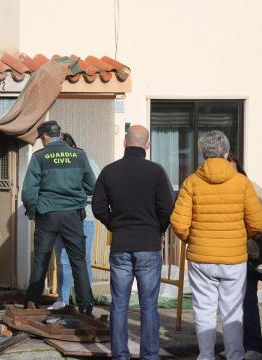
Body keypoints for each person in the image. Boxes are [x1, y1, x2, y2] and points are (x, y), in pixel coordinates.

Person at [170, 130, 262, 360]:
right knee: (232, 310)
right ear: (226, 152)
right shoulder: (241, 182)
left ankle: (206, 355)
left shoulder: (191, 182)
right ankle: (235, 354)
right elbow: (258, 221)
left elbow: (178, 223)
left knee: (204, 310)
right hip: (234, 258)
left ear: (203, 152)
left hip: (201, 257)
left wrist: (193, 239)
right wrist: (242, 237)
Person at [93, 125, 174, 360]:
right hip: (148, 244)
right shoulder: (156, 172)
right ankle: (150, 355)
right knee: (149, 304)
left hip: (121, 244)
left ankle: (120, 355)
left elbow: (98, 207)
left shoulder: (109, 171)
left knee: (119, 303)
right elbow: (167, 207)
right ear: (147, 145)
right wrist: (156, 228)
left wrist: (114, 224)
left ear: (124, 143)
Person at [21, 121, 95, 317]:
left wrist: (33, 212)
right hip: (73, 215)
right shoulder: (79, 155)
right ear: (60, 135)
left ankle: (31, 303)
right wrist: (76, 195)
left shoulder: (40, 157)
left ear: (45, 138)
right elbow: (92, 186)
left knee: (41, 260)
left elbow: (29, 192)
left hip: (47, 215)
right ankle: (86, 306)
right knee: (78, 261)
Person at [49, 133, 100, 310]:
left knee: (82, 260)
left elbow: (96, 189)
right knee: (64, 260)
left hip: (83, 217)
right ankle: (63, 299)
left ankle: (85, 300)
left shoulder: (87, 162)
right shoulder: (52, 163)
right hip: (60, 217)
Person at [225, 153, 262, 360]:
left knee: (248, 300)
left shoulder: (251, 187)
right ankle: (235, 345)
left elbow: (260, 221)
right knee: (229, 303)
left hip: (247, 253)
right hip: (226, 253)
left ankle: (253, 346)